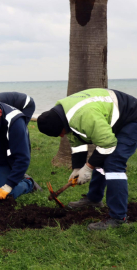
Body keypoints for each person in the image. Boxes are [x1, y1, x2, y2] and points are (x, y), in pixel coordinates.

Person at [37, 88, 137, 230]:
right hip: (114, 118)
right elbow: (78, 143)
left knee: (113, 163)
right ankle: (94, 199)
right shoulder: (62, 115)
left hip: (131, 119)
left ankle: (118, 218)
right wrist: (77, 168)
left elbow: (108, 143)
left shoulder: (84, 116)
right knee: (101, 159)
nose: (61, 136)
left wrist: (88, 168)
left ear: (61, 126)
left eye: (60, 133)